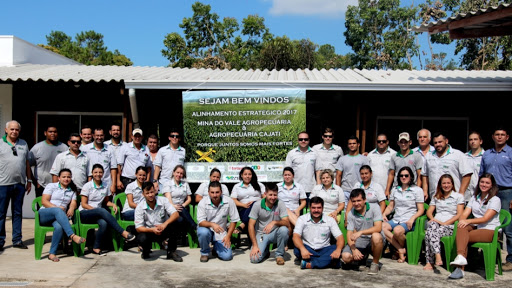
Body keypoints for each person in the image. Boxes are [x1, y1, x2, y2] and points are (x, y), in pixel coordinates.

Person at [448, 173, 502, 279]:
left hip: (490, 230)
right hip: (477, 227)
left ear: (492, 185)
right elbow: (464, 214)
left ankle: (460, 268)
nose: (484, 184)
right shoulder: (474, 197)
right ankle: (460, 259)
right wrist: (463, 220)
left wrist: (468, 221)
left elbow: (485, 219)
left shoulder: (495, 199)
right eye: (482, 182)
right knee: (461, 227)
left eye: (487, 183)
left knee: (463, 237)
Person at [79, 164, 135, 255]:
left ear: (103, 173)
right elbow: (84, 204)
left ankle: (96, 247)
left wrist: (113, 204)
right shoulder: (87, 186)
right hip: (85, 213)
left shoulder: (105, 185)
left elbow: (106, 202)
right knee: (101, 210)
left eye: (100, 172)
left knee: (104, 223)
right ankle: (123, 232)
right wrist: (95, 210)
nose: (98, 174)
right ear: (92, 173)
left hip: (98, 214)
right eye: (96, 172)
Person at [479, 127, 512, 270]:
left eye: (502, 135)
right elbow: (482, 174)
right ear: (493, 137)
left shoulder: (511, 153)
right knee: (488, 224)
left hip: (506, 192)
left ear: (507, 137)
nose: (499, 137)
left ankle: (510, 259)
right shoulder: (486, 154)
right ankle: (489, 257)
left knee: (507, 228)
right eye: (497, 135)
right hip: (489, 192)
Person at [38, 168, 86, 261]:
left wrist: (72, 208)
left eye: (68, 177)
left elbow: (73, 202)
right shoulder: (51, 186)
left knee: (59, 227)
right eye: (64, 177)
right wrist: (56, 207)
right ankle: (72, 236)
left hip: (59, 217)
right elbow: (44, 201)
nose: (66, 179)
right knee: (58, 210)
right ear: (59, 178)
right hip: (45, 214)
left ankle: (52, 253)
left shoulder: (72, 190)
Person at [0, 120, 33, 250]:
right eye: (12, 129)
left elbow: (27, 163)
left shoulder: (23, 143)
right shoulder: (1, 143)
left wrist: (29, 180)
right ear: (6, 130)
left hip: (19, 184)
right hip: (3, 184)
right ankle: (0, 240)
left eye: (17, 129)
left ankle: (17, 240)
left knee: (17, 212)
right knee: (1, 213)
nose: (14, 131)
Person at [382, 166, 424, 263]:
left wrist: (412, 218)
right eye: (401, 176)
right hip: (396, 218)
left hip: (408, 220)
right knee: (381, 226)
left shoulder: (417, 190)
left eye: (406, 175)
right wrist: (384, 214)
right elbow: (390, 207)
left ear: (411, 177)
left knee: (397, 231)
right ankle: (401, 249)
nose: (404, 177)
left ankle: (401, 250)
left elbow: (421, 209)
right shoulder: (395, 190)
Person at [423, 174, 464, 270]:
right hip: (437, 222)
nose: (446, 185)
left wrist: (446, 223)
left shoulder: (458, 197)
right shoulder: (436, 196)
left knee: (429, 233)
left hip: (450, 226)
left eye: (448, 183)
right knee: (432, 227)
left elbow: (459, 214)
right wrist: (432, 219)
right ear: (440, 185)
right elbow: (429, 211)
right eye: (444, 183)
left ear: (452, 184)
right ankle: (437, 256)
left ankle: (431, 261)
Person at [293, 196, 344, 269]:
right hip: (308, 248)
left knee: (339, 248)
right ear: (310, 208)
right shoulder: (302, 219)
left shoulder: (330, 220)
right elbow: (296, 236)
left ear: (323, 208)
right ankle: (331, 262)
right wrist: (302, 249)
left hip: (324, 249)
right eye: (313, 208)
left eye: (319, 208)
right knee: (297, 250)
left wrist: (338, 250)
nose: (316, 210)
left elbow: (340, 237)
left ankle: (311, 263)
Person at [135, 182, 182, 261]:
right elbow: (138, 228)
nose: (150, 195)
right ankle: (146, 251)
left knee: (176, 222)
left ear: (155, 191)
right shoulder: (139, 207)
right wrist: (152, 229)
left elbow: (175, 214)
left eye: (152, 192)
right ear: (143, 194)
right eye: (147, 193)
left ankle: (171, 251)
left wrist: (164, 224)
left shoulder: (163, 200)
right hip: (149, 231)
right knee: (141, 237)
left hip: (163, 229)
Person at [341, 189, 384, 275]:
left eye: (359, 200)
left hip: (373, 240)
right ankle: (361, 258)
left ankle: (375, 263)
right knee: (345, 257)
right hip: (361, 241)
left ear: (364, 200)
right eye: (354, 201)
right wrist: (354, 250)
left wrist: (361, 232)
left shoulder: (375, 207)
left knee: (376, 236)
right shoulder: (351, 214)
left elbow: (378, 228)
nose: (356, 204)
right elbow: (349, 233)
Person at [197, 181, 240, 262]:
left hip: (221, 231)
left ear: (221, 192)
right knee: (202, 232)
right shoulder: (203, 202)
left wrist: (228, 236)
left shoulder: (229, 201)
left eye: (217, 192)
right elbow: (201, 222)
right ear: (208, 193)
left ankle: (216, 248)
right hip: (207, 229)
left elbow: (234, 220)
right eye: (212, 192)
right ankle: (204, 253)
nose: (215, 195)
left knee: (227, 257)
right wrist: (212, 224)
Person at [421, 132, 472, 201]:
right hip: (435, 198)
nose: (438, 144)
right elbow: (424, 175)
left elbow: (467, 174)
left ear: (446, 141)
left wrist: (461, 193)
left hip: (454, 198)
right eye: (435, 143)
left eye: (440, 142)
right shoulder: (429, 156)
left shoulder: (458, 155)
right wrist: (425, 190)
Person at [248, 183, 290, 265]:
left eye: (275, 195)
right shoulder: (257, 205)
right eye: (270, 195)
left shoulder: (280, 204)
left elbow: (286, 222)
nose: (273, 197)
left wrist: (274, 222)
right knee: (254, 259)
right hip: (261, 234)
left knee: (284, 230)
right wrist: (255, 245)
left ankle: (279, 255)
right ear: (265, 194)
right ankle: (265, 250)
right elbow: (250, 225)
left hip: (275, 233)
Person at [29, 125, 68, 197]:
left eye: (55, 132)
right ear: (45, 133)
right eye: (50, 132)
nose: (52, 133)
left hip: (60, 186)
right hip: (41, 185)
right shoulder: (37, 148)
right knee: (42, 207)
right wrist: (34, 181)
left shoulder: (64, 147)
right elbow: (27, 165)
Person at [385, 132, 423, 198]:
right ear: (398, 143)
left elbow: (419, 174)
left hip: (412, 188)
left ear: (410, 142)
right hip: (397, 188)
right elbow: (391, 174)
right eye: (401, 142)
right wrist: (387, 189)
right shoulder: (394, 156)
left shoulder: (416, 156)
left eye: (405, 142)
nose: (403, 144)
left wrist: (418, 189)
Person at [231, 166, 266, 234]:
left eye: (249, 174)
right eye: (245, 174)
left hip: (259, 209)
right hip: (243, 209)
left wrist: (257, 203)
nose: (247, 176)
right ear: (242, 175)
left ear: (252, 175)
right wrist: (243, 205)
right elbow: (233, 200)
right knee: (251, 217)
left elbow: (265, 198)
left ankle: (243, 223)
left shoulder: (259, 185)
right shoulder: (237, 186)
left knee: (255, 204)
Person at [162, 165, 197, 232]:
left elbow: (189, 199)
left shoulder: (185, 184)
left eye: (181, 173)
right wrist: (174, 206)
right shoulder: (168, 184)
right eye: (177, 172)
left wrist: (183, 205)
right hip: (170, 208)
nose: (179, 175)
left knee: (181, 217)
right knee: (180, 219)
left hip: (182, 208)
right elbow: (168, 199)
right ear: (173, 173)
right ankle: (194, 226)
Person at [335, 136, 369, 204]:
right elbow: (338, 175)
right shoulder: (342, 159)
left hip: (359, 190)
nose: (352, 145)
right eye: (350, 144)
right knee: (345, 212)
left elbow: (367, 175)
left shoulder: (364, 159)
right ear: (348, 145)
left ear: (358, 144)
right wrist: (338, 190)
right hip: (345, 190)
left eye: (354, 143)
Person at [83, 128, 117, 194]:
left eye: (101, 135)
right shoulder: (85, 149)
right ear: (93, 136)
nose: (99, 137)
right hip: (90, 184)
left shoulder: (110, 149)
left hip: (106, 184)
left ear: (104, 136)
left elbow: (113, 168)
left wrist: (113, 184)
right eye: (97, 135)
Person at [286, 131, 316, 197]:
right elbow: (287, 172)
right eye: (301, 139)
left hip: (311, 189)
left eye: (305, 139)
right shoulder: (291, 153)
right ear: (297, 140)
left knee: (312, 207)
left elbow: (318, 171)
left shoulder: (315, 153)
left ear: (309, 140)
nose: (303, 141)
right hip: (295, 188)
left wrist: (318, 188)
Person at [465, 131, 484, 203]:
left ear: (481, 141)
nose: (473, 142)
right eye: (470, 140)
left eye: (475, 139)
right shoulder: (464, 156)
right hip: (467, 194)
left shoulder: (485, 156)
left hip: (481, 192)